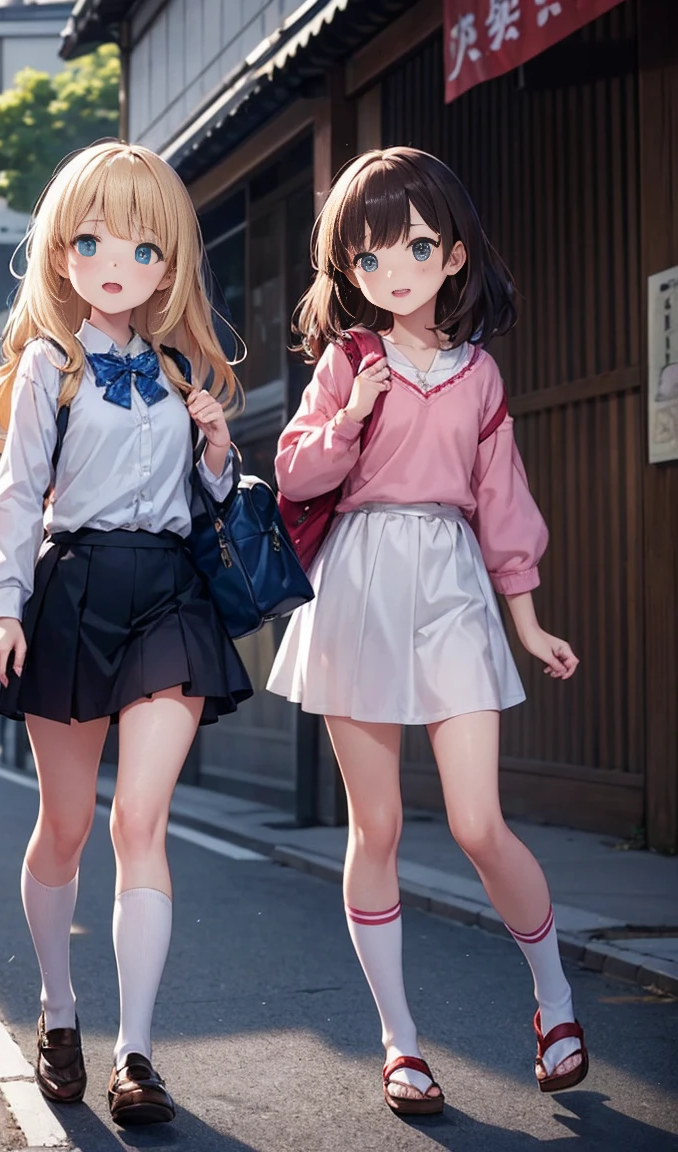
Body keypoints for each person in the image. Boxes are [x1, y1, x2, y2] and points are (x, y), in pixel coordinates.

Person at [268, 147, 587, 1115]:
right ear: (350, 273)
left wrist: (526, 622)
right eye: (367, 260)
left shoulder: (480, 377)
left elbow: (501, 501)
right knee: (380, 825)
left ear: (453, 256)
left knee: (478, 822)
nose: (392, 272)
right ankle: (402, 1041)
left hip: (450, 583)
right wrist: (348, 419)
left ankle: (557, 1001)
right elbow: (294, 478)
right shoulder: (347, 363)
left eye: (412, 248)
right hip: (359, 582)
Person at [0, 141, 251, 1126]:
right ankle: (58, 1007)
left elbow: (208, 503)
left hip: (170, 594)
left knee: (140, 821)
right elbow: (16, 496)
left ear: (168, 263)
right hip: (75, 586)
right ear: (62, 255)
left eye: (139, 245)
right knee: (69, 826)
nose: (116, 261)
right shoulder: (52, 364)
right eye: (92, 240)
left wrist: (217, 452)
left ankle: (136, 1053)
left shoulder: (182, 372)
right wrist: (3, 606)